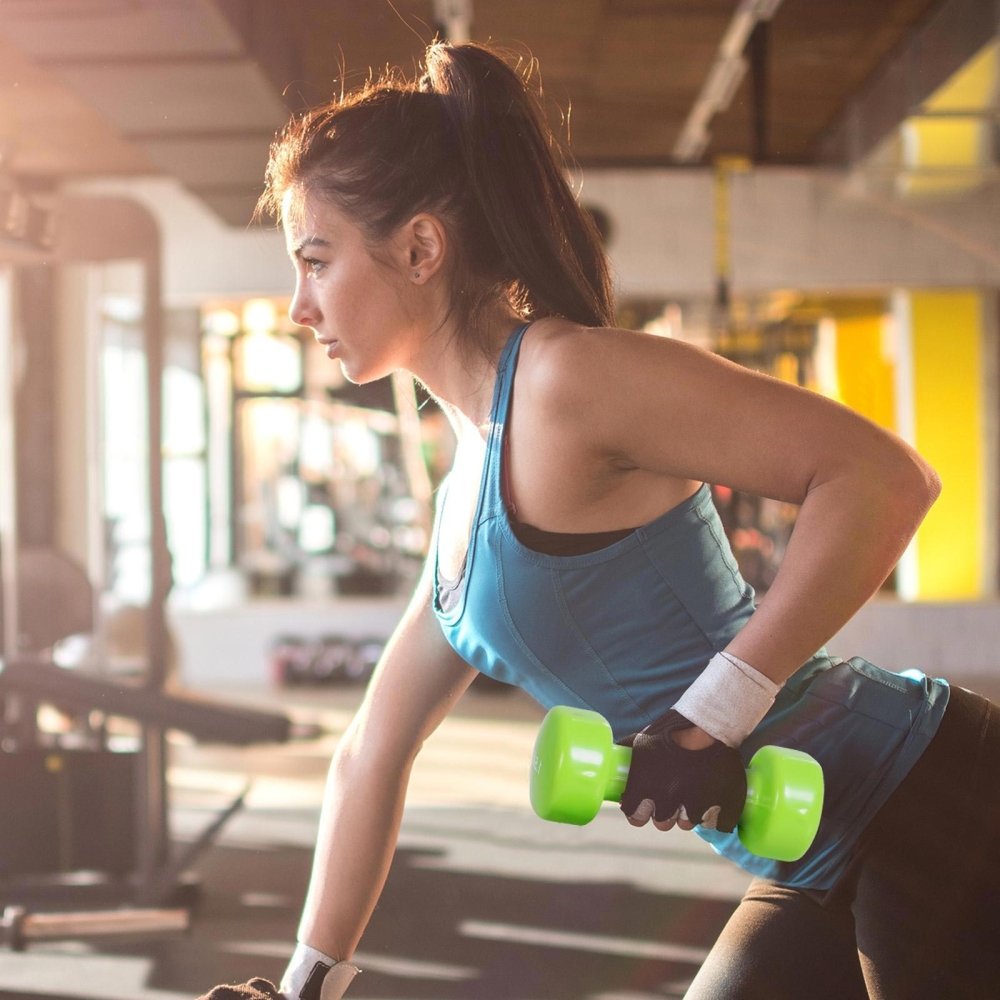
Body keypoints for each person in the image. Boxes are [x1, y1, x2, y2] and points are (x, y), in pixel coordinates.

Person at [198, 41, 1000, 1000]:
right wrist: (303, 989)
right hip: (810, 849)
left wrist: (711, 717)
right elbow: (372, 752)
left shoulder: (565, 380)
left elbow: (883, 479)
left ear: (418, 249)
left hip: (930, 794)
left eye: (316, 262)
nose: (297, 307)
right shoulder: (466, 498)